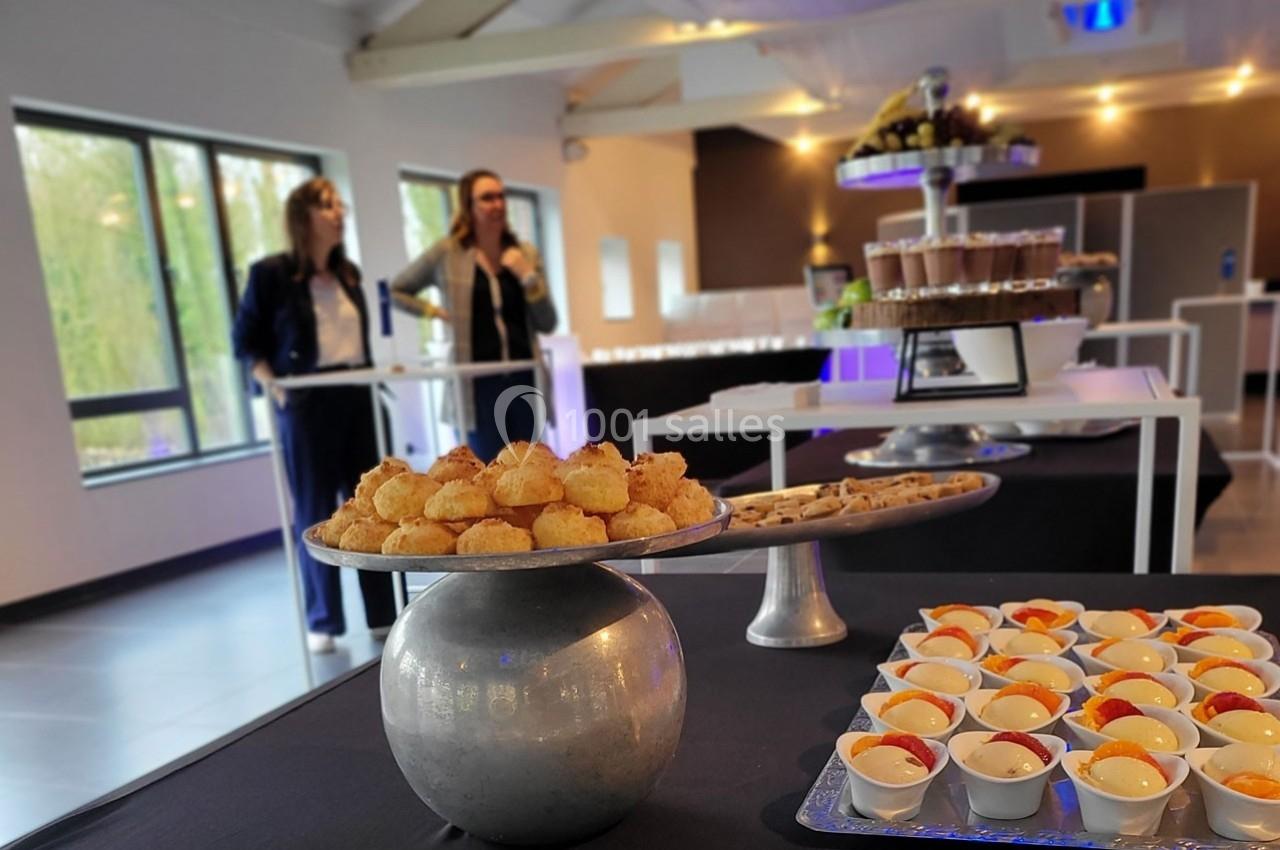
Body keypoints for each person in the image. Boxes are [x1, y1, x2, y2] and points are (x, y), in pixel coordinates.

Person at [232, 177, 395, 654]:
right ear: (303, 217)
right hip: (306, 400)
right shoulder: (272, 275)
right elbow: (245, 341)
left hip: (355, 394)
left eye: (340, 205)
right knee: (315, 506)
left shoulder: (348, 274)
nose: (339, 213)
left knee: (370, 505)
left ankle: (382, 613)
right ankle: (323, 618)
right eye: (328, 206)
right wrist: (277, 388)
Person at [391, 169, 557, 460]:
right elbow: (397, 290)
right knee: (485, 473)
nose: (497, 204)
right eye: (487, 198)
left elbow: (547, 321)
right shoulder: (449, 253)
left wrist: (528, 277)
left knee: (531, 472)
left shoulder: (525, 254)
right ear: (468, 206)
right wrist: (435, 312)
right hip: (476, 385)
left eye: (501, 196)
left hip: (524, 377)